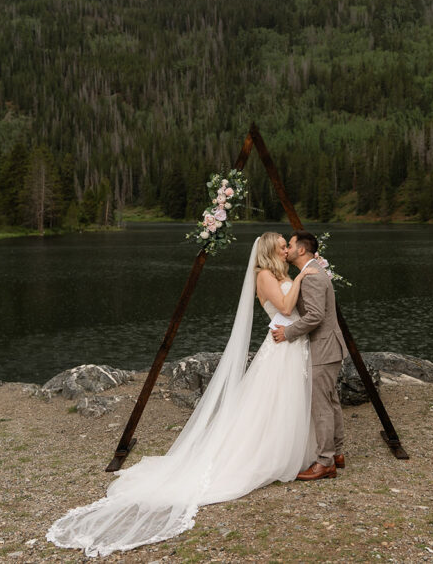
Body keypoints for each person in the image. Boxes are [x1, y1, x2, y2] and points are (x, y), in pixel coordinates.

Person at [46, 232, 319, 557]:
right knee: (270, 403)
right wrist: (306, 273)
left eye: (289, 246)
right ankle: (267, 455)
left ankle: (290, 448)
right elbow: (286, 306)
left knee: (283, 403)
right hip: (280, 347)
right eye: (282, 246)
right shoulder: (264, 276)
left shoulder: (280, 274)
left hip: (291, 344)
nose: (288, 249)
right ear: (270, 251)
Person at [272, 230, 348, 481]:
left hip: (324, 347)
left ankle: (325, 462)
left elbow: (315, 316)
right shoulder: (311, 271)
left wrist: (289, 332)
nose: (287, 249)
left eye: (290, 245)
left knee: (321, 404)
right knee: (331, 400)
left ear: (301, 250)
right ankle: (337, 452)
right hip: (329, 346)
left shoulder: (313, 276)